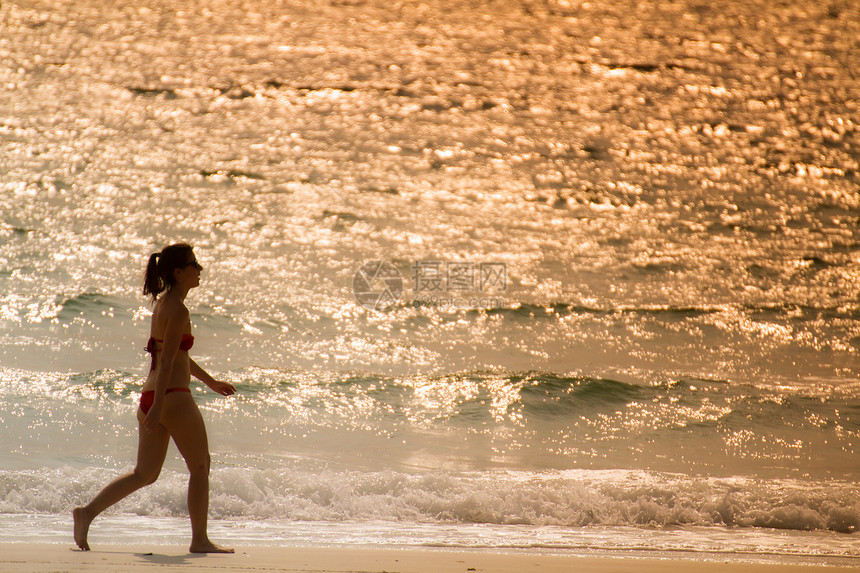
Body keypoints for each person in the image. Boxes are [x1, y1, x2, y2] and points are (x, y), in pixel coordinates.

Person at [73, 243, 235, 553]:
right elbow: (169, 363)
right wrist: (159, 407)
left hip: (154, 396)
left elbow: (175, 356)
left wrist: (211, 382)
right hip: (171, 398)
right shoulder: (179, 310)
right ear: (178, 272)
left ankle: (86, 513)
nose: (199, 269)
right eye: (193, 265)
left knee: (144, 474)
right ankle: (199, 540)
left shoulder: (163, 304)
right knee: (200, 467)